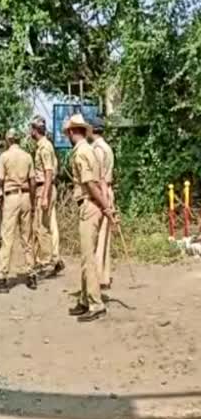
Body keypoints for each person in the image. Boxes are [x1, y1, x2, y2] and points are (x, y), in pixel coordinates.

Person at [64, 114, 117, 322]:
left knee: (88, 258)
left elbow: (92, 184)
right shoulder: (90, 150)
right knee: (87, 256)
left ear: (71, 132)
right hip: (93, 204)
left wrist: (106, 207)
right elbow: (101, 179)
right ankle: (86, 299)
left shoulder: (82, 153)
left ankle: (96, 304)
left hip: (89, 205)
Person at [0, 128, 37, 294]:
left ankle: (2, 277)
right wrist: (33, 201)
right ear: (19, 140)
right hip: (26, 197)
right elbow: (33, 181)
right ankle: (31, 274)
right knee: (27, 237)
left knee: (7, 237)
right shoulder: (28, 156)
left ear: (8, 140)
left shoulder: (5, 156)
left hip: (12, 197)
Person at [29, 116, 64, 276]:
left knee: (42, 227)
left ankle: (46, 262)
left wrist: (44, 196)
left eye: (31, 128)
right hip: (47, 188)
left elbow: (48, 172)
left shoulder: (44, 147)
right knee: (50, 224)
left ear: (36, 130)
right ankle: (54, 258)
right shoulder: (45, 145)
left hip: (45, 188)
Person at [91, 116, 115, 289]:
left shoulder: (97, 149)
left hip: (101, 192)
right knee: (105, 237)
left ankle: (98, 276)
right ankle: (104, 276)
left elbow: (99, 177)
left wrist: (103, 199)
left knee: (98, 237)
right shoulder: (107, 147)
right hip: (108, 190)